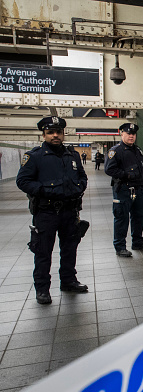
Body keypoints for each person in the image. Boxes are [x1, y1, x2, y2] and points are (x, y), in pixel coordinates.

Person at [16, 116, 89, 305]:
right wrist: (44, 191)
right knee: (43, 251)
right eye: (50, 132)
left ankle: (68, 281)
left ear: (64, 133)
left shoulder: (72, 155)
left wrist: (80, 187)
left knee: (69, 249)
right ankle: (42, 289)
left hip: (70, 211)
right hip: (47, 212)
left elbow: (82, 175)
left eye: (58, 132)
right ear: (44, 134)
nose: (55, 135)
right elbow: (22, 181)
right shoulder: (35, 156)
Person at [104, 123, 143, 257]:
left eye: (133, 134)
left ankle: (137, 242)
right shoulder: (116, 151)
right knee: (121, 218)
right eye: (128, 133)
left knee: (139, 216)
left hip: (138, 189)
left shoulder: (137, 150)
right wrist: (127, 175)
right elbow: (109, 169)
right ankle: (120, 247)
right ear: (122, 134)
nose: (131, 136)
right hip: (123, 190)